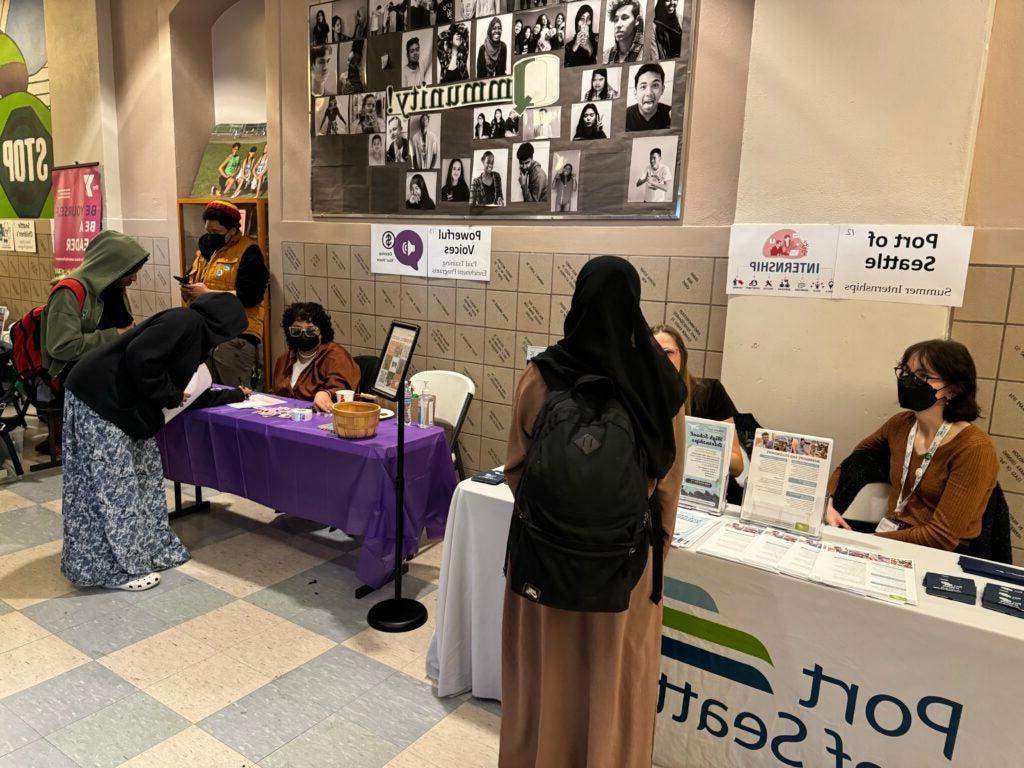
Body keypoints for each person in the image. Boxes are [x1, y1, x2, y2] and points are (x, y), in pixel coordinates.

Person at [500, 256, 686, 768]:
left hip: (544, 562)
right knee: (614, 679)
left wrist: (557, 523)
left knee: (546, 674)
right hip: (625, 568)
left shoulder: (542, 374)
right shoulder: (663, 387)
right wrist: (650, 552)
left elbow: (516, 468)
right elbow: (667, 491)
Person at [60, 293, 249, 591]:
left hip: (123, 409)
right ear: (224, 325)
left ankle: (150, 549)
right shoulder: (185, 321)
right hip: (99, 400)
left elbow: (191, 391)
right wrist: (168, 394)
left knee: (145, 478)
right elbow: (142, 358)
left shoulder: (193, 334)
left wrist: (236, 394)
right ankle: (116, 570)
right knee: (114, 488)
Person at [825, 340, 999, 551]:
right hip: (888, 537)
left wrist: (867, 543)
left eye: (924, 376)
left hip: (939, 553)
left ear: (952, 390)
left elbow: (941, 537)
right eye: (906, 372)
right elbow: (855, 462)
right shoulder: (901, 424)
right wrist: (828, 503)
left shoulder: (975, 448)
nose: (909, 381)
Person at [181, 200, 270, 388]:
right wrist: (189, 291)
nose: (212, 236)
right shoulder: (204, 251)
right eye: (208, 231)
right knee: (202, 394)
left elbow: (250, 296)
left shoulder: (249, 251)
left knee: (234, 398)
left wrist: (206, 293)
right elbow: (195, 280)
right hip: (204, 335)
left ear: (232, 230)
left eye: (217, 233)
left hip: (236, 338)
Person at [653, 324, 746, 481]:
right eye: (654, 353)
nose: (661, 359)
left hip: (705, 490)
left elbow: (737, 466)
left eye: (668, 352)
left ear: (682, 355)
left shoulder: (710, 393)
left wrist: (698, 447)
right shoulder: (640, 401)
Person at [270, 302, 361, 412]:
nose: (303, 335)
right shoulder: (284, 359)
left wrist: (326, 393)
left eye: (310, 331)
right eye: (296, 330)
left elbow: (343, 391)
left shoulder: (336, 356)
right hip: (284, 420)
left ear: (322, 331)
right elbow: (275, 395)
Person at [626, 63, 671, 131]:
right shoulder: (625, 116)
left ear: (662, 89)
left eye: (655, 85)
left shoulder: (671, 115)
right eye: (643, 86)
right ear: (635, 92)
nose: (649, 93)